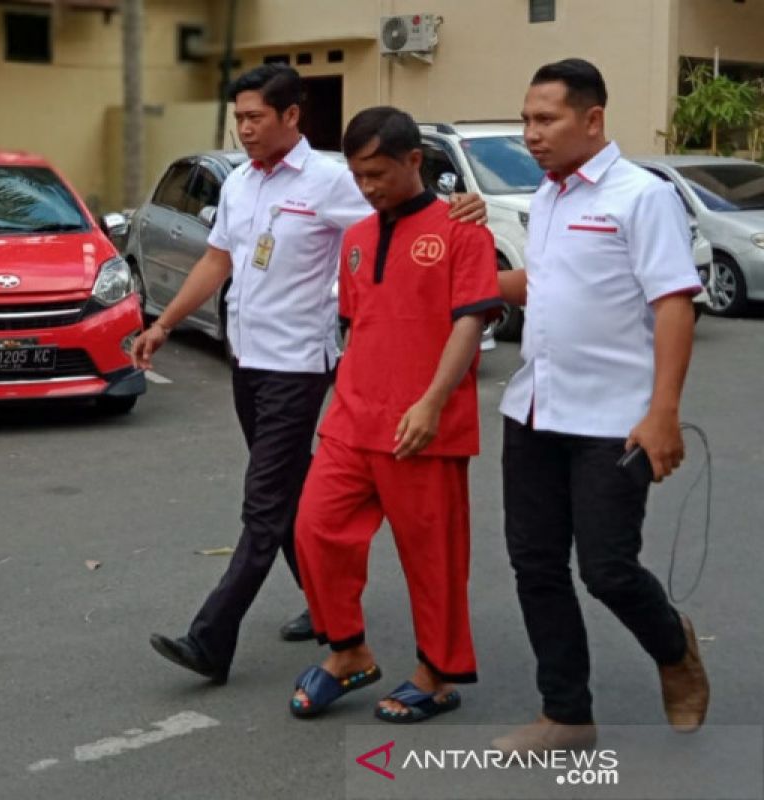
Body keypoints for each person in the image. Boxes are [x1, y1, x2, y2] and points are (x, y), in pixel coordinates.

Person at [134, 64, 486, 685]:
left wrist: (461, 208)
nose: (244, 129)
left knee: (265, 503)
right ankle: (327, 611)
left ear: (291, 116)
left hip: (300, 363)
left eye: (255, 117)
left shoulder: (333, 181)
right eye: (237, 118)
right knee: (295, 496)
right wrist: (164, 323)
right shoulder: (240, 184)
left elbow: (404, 213)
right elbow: (219, 260)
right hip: (247, 358)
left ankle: (212, 635)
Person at [493, 59, 710, 754]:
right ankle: (567, 713)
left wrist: (663, 413)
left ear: (593, 120)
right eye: (526, 119)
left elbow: (674, 303)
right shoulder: (551, 197)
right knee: (536, 567)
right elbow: (549, 285)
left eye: (546, 119)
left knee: (608, 567)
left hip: (615, 419)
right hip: (534, 410)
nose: (531, 134)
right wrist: (459, 275)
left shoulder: (640, 196)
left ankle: (673, 646)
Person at [288, 106, 501, 721]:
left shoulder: (464, 230)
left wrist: (432, 402)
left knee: (433, 557)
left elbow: (471, 320)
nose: (369, 188)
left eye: (379, 173)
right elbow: (362, 328)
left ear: (414, 160)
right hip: (353, 419)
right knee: (314, 530)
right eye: (358, 176)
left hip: (425, 425)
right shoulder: (355, 239)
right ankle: (349, 651)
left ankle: (437, 674)